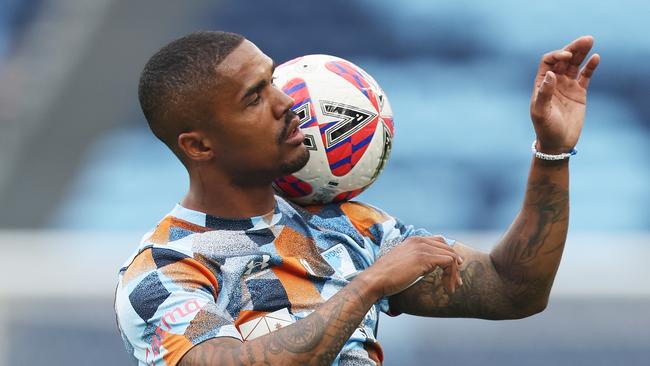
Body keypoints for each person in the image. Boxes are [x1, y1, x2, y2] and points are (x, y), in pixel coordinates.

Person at [114, 31, 600, 366]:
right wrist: (368, 286)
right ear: (199, 145)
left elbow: (512, 290)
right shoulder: (166, 266)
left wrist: (552, 154)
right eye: (254, 98)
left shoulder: (347, 226)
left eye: (273, 81)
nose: (287, 104)